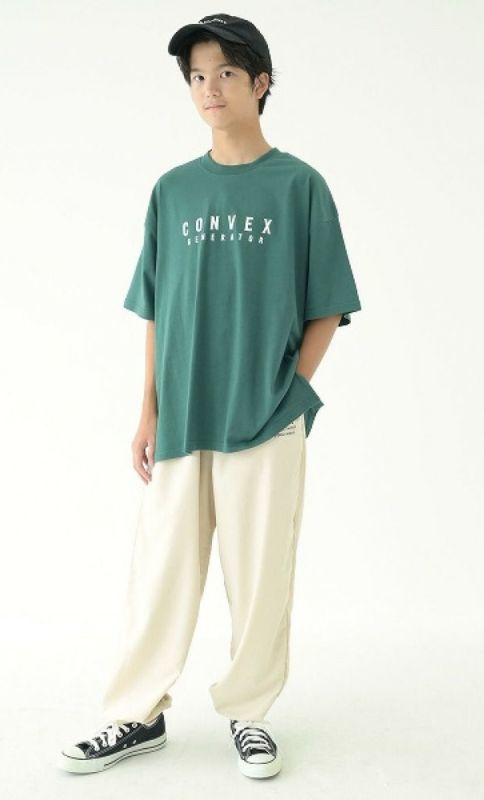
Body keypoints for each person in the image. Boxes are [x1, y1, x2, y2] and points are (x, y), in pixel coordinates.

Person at [59, 13, 361, 780]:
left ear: (261, 82)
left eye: (225, 73)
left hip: (265, 415)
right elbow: (158, 308)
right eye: (197, 76)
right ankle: (136, 715)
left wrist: (290, 393)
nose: (209, 89)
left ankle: (249, 714)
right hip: (183, 413)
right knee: (161, 571)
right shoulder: (173, 191)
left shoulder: (299, 186)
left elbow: (327, 306)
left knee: (261, 574)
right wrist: (147, 410)